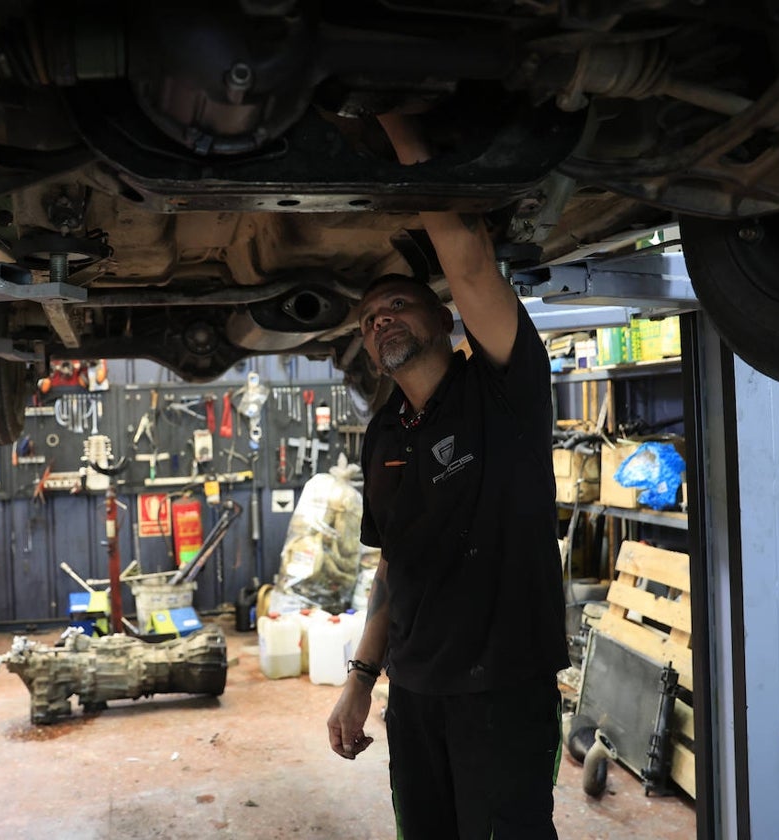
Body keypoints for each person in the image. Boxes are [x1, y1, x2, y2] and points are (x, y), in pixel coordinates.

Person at [326, 112, 570, 839]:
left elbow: (468, 263)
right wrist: (360, 681)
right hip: (417, 695)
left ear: (444, 319)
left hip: (504, 692)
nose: (380, 321)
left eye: (397, 304)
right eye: (368, 320)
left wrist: (399, 126)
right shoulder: (382, 436)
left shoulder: (501, 386)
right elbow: (393, 567)